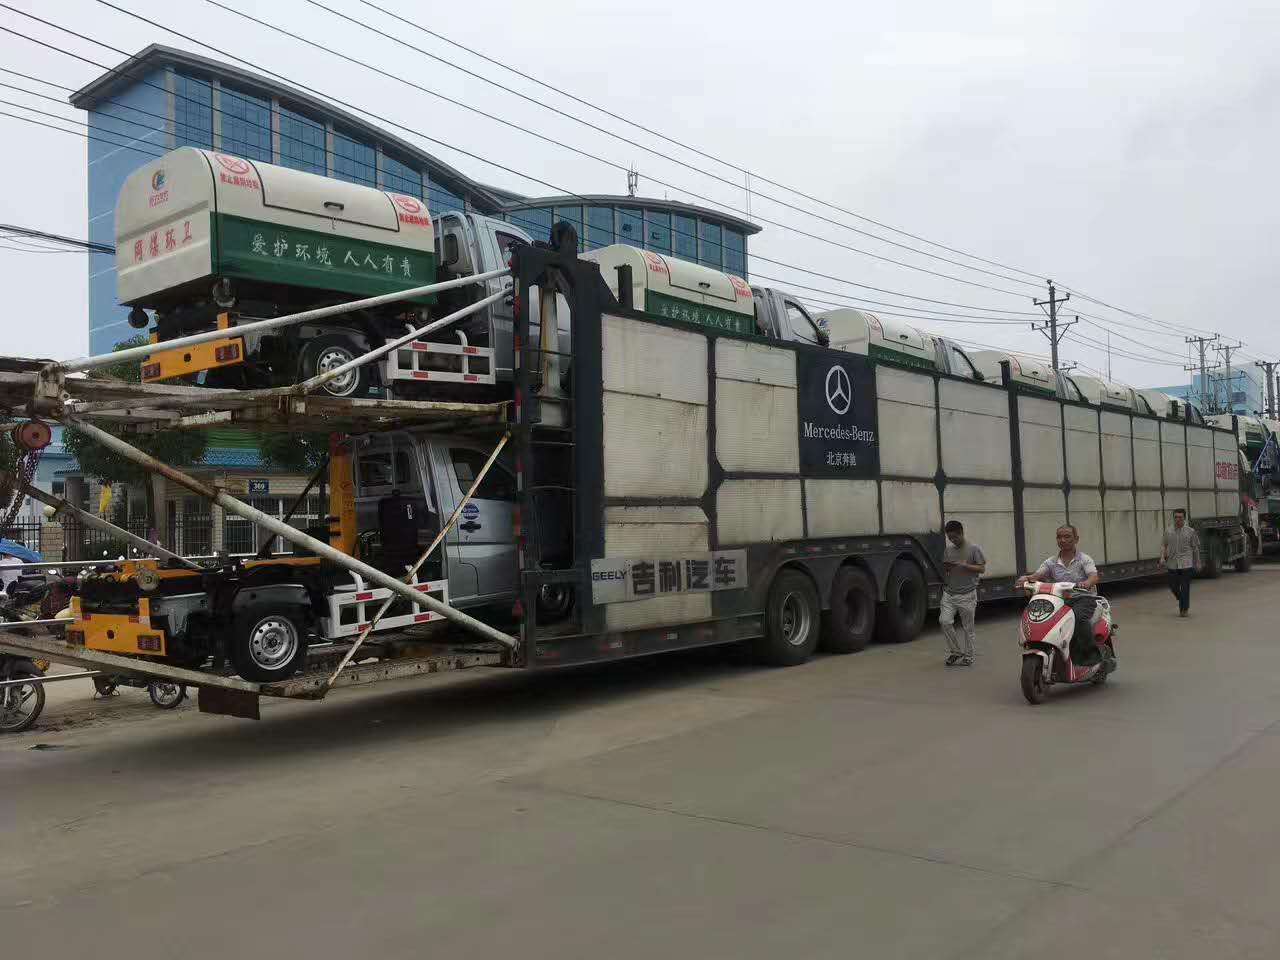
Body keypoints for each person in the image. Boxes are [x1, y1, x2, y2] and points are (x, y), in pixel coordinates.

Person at [1017, 524, 1102, 666]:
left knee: (1077, 618)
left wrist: (1087, 583)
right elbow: (1037, 575)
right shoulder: (1051, 562)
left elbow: (1094, 576)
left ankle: (1090, 655)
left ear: (1076, 539)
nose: (1062, 540)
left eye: (1067, 536)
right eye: (1059, 537)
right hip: (1060, 600)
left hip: (1083, 599)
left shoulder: (1084, 559)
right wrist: (1026, 579)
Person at [939, 520, 986, 666]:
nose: (952, 540)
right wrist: (948, 567)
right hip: (949, 594)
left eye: (955, 537)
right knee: (944, 621)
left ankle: (969, 656)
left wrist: (966, 566)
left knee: (968, 628)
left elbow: (982, 568)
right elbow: (946, 569)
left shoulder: (973, 549)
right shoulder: (948, 550)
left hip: (967, 594)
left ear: (961, 533)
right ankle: (955, 652)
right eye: (950, 538)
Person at [1160, 508, 1200, 618]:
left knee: (1185, 587)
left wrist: (1197, 562)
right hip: (1172, 563)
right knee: (1172, 585)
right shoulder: (1168, 531)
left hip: (1186, 563)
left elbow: (1195, 548)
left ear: (1184, 518)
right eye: (1176, 517)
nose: (1178, 519)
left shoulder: (1190, 531)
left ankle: (1184, 609)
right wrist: (1162, 557)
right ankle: (1181, 598)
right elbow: (1163, 545)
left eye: (1180, 517)